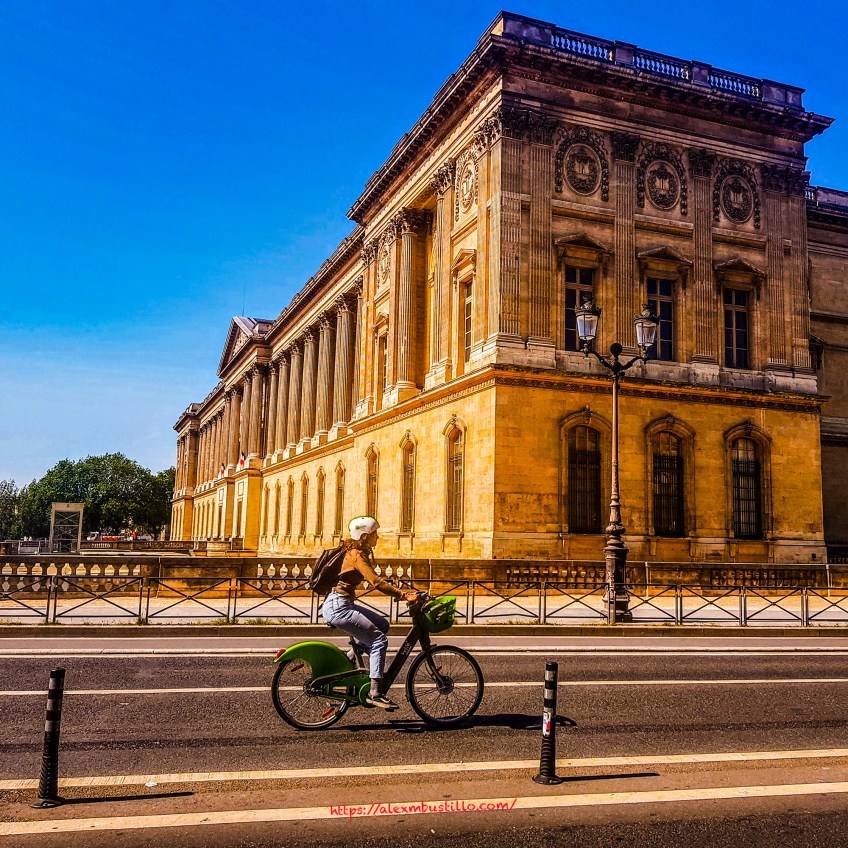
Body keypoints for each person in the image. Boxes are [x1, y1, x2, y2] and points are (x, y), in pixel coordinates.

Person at [322, 516, 418, 710]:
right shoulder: (357, 555)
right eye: (375, 533)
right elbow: (376, 582)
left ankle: (348, 659)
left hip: (340, 603)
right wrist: (402, 595)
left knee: (383, 625)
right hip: (339, 607)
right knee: (379, 641)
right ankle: (375, 692)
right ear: (365, 537)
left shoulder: (357, 551)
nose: (378, 537)